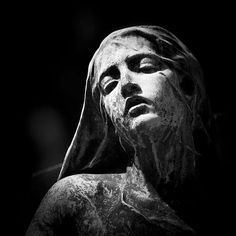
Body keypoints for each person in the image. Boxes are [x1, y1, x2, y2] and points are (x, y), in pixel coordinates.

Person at [26, 25, 214, 235]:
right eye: (109, 85)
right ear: (109, 122)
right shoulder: (77, 199)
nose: (125, 84)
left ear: (187, 86)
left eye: (145, 67)